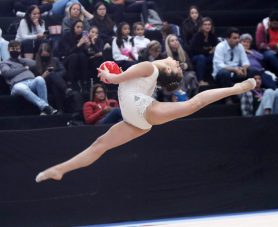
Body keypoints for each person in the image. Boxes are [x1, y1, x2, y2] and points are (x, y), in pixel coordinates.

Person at [35, 56, 256, 182]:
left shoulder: (150, 66)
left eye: (177, 65)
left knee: (192, 105)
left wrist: (108, 75)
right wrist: (115, 74)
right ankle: (60, 170)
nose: (175, 60)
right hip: (137, 119)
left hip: (137, 108)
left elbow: (116, 79)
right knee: (100, 145)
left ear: (169, 68)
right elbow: (123, 79)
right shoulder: (148, 72)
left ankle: (236, 88)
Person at [0, 40, 57, 115]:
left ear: (20, 50)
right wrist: (24, 68)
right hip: (17, 85)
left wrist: (22, 61)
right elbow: (6, 73)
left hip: (31, 82)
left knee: (40, 79)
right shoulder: (5, 63)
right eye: (13, 49)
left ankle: (44, 111)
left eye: (17, 49)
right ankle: (46, 106)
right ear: (8, 50)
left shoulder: (24, 61)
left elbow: (36, 63)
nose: (15, 51)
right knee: (22, 88)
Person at [35, 42, 73, 112]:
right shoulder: (36, 63)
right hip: (44, 83)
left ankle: (60, 109)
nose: (45, 55)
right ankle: (66, 90)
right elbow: (36, 79)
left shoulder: (55, 60)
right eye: (43, 54)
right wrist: (45, 75)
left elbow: (63, 71)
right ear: (40, 54)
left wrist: (55, 76)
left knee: (54, 85)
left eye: (47, 54)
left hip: (56, 83)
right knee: (51, 74)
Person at [58, 19, 89, 91]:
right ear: (73, 27)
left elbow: (86, 53)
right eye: (78, 27)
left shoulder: (82, 36)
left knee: (82, 55)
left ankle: (84, 82)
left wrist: (88, 45)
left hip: (79, 59)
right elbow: (68, 52)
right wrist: (79, 44)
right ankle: (70, 82)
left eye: (81, 27)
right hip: (65, 59)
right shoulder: (67, 35)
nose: (80, 29)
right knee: (74, 56)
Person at [190, 17, 219, 86]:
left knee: (215, 57)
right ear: (201, 26)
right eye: (205, 24)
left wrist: (213, 50)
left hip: (208, 56)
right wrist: (209, 51)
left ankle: (214, 79)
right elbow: (194, 50)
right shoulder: (197, 36)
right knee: (201, 57)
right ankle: (200, 81)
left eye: (209, 24)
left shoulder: (213, 36)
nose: (207, 26)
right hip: (196, 56)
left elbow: (216, 46)